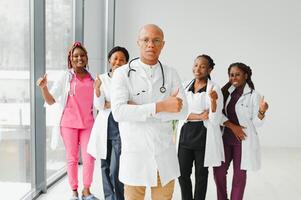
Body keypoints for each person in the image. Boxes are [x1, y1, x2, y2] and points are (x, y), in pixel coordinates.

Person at [110, 24, 188, 200]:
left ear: (163, 44)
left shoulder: (171, 74)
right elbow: (119, 112)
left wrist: (137, 109)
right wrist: (162, 106)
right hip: (135, 156)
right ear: (138, 42)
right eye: (146, 40)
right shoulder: (122, 74)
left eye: (156, 40)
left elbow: (183, 112)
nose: (150, 44)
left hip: (164, 156)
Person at [36, 42, 99, 200]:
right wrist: (44, 88)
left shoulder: (93, 78)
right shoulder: (66, 76)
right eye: (75, 56)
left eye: (82, 55)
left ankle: (87, 190)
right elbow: (51, 101)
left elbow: (99, 100)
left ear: (86, 58)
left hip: (88, 124)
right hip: (68, 124)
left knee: (89, 157)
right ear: (70, 58)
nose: (79, 58)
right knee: (72, 158)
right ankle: (74, 191)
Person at [213, 62, 269, 200]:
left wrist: (261, 112)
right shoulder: (225, 92)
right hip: (225, 138)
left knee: (239, 176)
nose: (234, 78)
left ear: (246, 75)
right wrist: (233, 127)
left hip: (243, 141)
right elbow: (217, 115)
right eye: (231, 75)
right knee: (218, 172)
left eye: (237, 74)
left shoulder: (254, 95)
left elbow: (256, 123)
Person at [177, 54, 224, 200]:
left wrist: (214, 102)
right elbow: (179, 112)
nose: (198, 69)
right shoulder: (184, 85)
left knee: (201, 175)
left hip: (203, 137)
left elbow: (214, 119)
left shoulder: (214, 89)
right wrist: (198, 116)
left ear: (209, 70)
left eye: (203, 66)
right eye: (196, 65)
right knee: (182, 173)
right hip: (185, 136)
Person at [87, 46, 130, 200]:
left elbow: (130, 103)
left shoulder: (128, 79)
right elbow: (99, 105)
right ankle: (108, 197)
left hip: (121, 127)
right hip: (105, 126)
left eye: (122, 59)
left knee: (115, 169)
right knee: (104, 166)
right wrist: (97, 90)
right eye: (115, 58)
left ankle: (119, 198)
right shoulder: (102, 79)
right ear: (109, 60)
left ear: (126, 62)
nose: (118, 62)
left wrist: (111, 103)